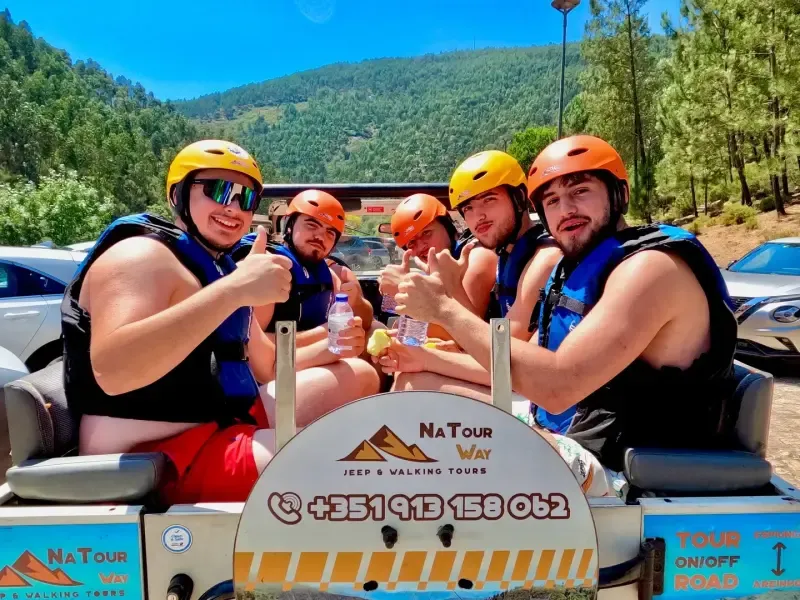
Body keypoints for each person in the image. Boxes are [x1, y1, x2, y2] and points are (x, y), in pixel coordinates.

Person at [393, 135, 739, 497]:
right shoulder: (577, 266)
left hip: (623, 466)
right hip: (576, 428)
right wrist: (424, 358)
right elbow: (527, 364)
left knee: (430, 420)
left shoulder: (651, 269)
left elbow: (557, 387)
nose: (566, 210)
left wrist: (444, 309)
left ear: (619, 194)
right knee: (415, 387)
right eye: (553, 201)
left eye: (580, 191)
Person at [62, 140, 294, 505]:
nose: (232, 207)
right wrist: (234, 290)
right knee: (320, 465)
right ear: (178, 195)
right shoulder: (141, 256)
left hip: (213, 430)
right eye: (218, 190)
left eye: (245, 199)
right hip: (158, 459)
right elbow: (115, 370)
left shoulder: (213, 268)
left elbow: (263, 366)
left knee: (345, 416)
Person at [377, 152, 565, 430]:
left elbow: (504, 360)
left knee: (413, 382)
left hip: (535, 396)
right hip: (513, 377)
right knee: (409, 378)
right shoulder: (506, 253)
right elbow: (488, 344)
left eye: (489, 200)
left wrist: (428, 357)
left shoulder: (542, 258)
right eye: (468, 209)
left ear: (520, 197)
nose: (478, 217)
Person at [231, 189, 382, 420]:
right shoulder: (273, 270)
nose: (320, 236)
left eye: (330, 232)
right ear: (289, 226)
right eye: (312, 225)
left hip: (295, 362)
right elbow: (249, 349)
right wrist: (327, 335)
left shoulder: (329, 276)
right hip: (262, 380)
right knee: (363, 374)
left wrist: (357, 304)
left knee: (377, 334)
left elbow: (363, 322)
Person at [377, 193, 497, 337]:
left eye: (427, 233)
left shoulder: (476, 256)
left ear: (447, 227)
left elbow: (468, 334)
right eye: (412, 243)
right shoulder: (439, 266)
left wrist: (404, 288)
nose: (421, 246)